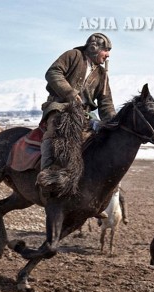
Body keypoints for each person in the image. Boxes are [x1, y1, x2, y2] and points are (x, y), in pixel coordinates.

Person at [37, 33, 117, 196]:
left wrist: (114, 123)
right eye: (106, 50)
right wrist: (69, 93)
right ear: (94, 48)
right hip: (60, 106)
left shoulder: (102, 74)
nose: (108, 55)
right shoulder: (73, 55)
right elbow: (53, 73)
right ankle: (47, 173)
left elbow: (106, 103)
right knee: (55, 131)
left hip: (83, 115)